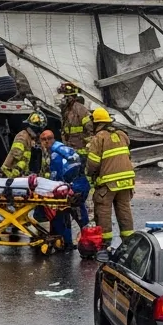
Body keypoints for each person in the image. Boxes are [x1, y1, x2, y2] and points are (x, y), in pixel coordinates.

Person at [84, 107, 136, 245]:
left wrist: (89, 174)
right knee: (124, 209)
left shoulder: (99, 138)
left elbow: (93, 163)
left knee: (103, 209)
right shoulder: (122, 135)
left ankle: (105, 243)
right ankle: (128, 241)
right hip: (127, 181)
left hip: (108, 182)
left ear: (96, 123)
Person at [1, 111, 47, 177]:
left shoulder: (30, 138)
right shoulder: (22, 137)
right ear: (36, 129)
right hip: (11, 175)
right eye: (40, 130)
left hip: (20, 177)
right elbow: (16, 156)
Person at [57, 81, 93, 159]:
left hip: (81, 151)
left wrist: (88, 145)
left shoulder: (81, 110)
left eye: (64, 96)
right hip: (70, 150)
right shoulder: (66, 111)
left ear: (70, 97)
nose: (62, 99)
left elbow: (90, 128)